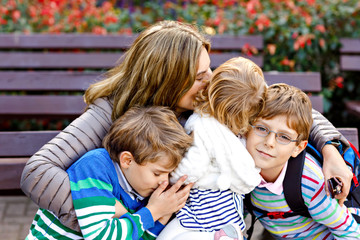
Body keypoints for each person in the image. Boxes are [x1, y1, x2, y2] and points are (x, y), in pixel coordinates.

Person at [20, 20, 352, 232]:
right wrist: (112, 216)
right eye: (198, 77)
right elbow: (37, 171)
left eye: (209, 69)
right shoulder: (111, 111)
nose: (210, 80)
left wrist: (329, 148)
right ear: (167, 81)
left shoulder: (210, 101)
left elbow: (280, 107)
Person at [27, 106, 194, 239]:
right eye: (157, 173)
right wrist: (154, 212)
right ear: (127, 160)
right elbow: (100, 236)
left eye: (168, 174)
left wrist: (164, 215)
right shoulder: (95, 167)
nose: (164, 182)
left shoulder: (142, 190)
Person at [158, 57, 265, 240]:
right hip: (230, 208)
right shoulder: (240, 133)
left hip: (204, 208)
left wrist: (170, 177)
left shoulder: (201, 124)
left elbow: (192, 168)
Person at [245, 83, 360, 239]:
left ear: (298, 148)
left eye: (284, 137)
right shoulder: (238, 170)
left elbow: (350, 232)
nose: (269, 142)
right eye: (261, 128)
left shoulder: (310, 182)